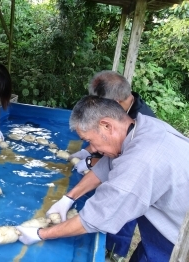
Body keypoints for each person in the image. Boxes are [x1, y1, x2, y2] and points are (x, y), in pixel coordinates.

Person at [15, 96, 189, 261]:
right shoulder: (144, 127)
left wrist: (39, 234)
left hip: (177, 236)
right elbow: (107, 166)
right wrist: (69, 198)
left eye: (89, 140)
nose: (92, 148)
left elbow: (95, 218)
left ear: (107, 126)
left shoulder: (141, 162)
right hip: (169, 216)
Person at [67, 70, 156, 261]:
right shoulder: (125, 113)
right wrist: (89, 153)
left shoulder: (144, 122)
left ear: (113, 105)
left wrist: (41, 234)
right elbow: (108, 147)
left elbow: (120, 167)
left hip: (146, 195)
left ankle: (115, 251)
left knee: (125, 218)